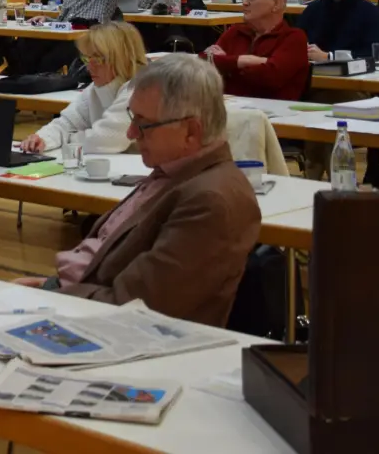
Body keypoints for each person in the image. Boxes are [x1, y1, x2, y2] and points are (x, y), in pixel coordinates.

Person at [15, 55, 261, 326]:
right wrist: (52, 286)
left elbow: (134, 308)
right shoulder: (174, 172)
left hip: (116, 334)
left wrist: (55, 297)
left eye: (143, 124)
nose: (131, 133)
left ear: (191, 131)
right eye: (132, 118)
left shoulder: (210, 203)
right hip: (85, 302)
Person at [20, 21, 147, 154]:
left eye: (98, 59)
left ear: (122, 59)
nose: (89, 67)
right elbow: (66, 122)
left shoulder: (140, 89)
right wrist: (42, 138)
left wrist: (68, 137)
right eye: (87, 59)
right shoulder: (95, 89)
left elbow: (105, 139)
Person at [204, 0, 311, 100]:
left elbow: (271, 77)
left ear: (276, 3)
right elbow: (204, 63)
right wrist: (244, 60)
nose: (244, 3)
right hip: (229, 110)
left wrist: (226, 64)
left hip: (273, 114)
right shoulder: (236, 31)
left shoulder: (293, 38)